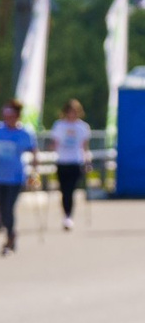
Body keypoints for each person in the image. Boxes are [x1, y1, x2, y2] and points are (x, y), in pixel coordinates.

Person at [0, 99, 36, 256]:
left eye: (11, 115)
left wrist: (34, 173)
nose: (7, 118)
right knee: (1, 208)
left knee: (9, 208)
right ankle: (11, 233)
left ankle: (10, 237)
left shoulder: (25, 133)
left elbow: (34, 152)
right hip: (0, 176)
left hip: (16, 177)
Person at [49, 97, 91, 228]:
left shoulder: (82, 127)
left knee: (71, 190)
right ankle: (66, 214)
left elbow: (85, 146)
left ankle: (69, 216)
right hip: (62, 161)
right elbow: (54, 143)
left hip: (76, 162)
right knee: (64, 190)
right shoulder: (59, 125)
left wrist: (87, 161)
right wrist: (52, 147)